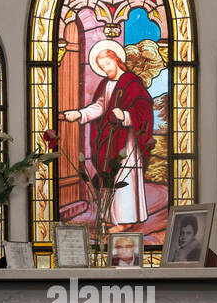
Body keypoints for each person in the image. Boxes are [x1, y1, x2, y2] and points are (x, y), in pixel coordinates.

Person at [61, 39, 154, 225]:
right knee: (111, 175)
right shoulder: (107, 84)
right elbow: (99, 107)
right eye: (102, 66)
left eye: (108, 63)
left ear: (117, 60)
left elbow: (144, 109)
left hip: (127, 141)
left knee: (123, 175)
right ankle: (111, 217)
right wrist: (79, 113)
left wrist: (126, 116)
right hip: (111, 138)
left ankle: (127, 220)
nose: (106, 69)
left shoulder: (131, 82)